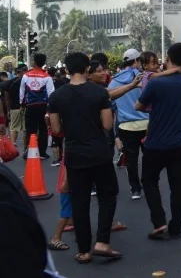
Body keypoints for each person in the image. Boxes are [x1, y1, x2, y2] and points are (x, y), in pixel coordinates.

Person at [47, 52, 122, 263]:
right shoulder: (99, 93)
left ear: (67, 70)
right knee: (107, 196)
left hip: (74, 154)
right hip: (99, 152)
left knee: (79, 202)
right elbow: (107, 125)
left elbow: (56, 129)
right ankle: (102, 242)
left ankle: (83, 251)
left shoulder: (57, 96)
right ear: (88, 68)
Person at [134, 43, 181, 239]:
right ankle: (176, 227)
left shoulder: (155, 83)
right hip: (179, 143)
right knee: (178, 187)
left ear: (167, 57)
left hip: (155, 142)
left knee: (149, 181)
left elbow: (139, 106)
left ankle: (159, 221)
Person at [109, 48, 147, 200]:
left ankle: (135, 189)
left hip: (126, 126)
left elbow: (112, 105)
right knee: (149, 157)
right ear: (136, 61)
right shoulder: (143, 78)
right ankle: (149, 184)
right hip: (147, 124)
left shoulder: (113, 82)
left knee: (131, 160)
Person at [21, 53, 55, 159]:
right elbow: (51, 94)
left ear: (34, 62)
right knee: (43, 129)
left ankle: (29, 151)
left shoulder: (26, 75)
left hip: (30, 106)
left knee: (30, 130)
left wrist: (21, 104)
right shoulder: (47, 77)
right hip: (43, 107)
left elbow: (22, 92)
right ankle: (42, 153)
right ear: (44, 63)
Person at [4, 64, 26, 146]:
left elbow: (7, 98)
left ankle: (12, 145)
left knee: (14, 127)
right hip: (25, 107)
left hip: (14, 108)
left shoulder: (9, 83)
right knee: (25, 129)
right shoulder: (27, 82)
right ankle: (25, 148)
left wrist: (8, 110)